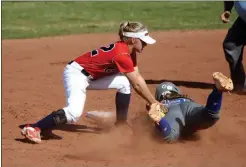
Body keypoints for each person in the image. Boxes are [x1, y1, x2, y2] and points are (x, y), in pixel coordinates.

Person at [21, 21, 160, 144]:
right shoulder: (122, 55)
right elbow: (136, 83)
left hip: (92, 77)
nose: (146, 43)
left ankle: (121, 125)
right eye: (143, 40)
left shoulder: (129, 51)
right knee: (74, 112)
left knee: (124, 82)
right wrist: (154, 103)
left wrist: (152, 101)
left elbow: (137, 77)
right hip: (76, 74)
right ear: (133, 39)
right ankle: (34, 128)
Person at [147, 72, 234, 143]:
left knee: (170, 136)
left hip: (170, 109)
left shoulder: (161, 103)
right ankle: (218, 91)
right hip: (186, 103)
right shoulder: (182, 96)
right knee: (209, 114)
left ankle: (159, 120)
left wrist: (151, 111)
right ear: (176, 91)